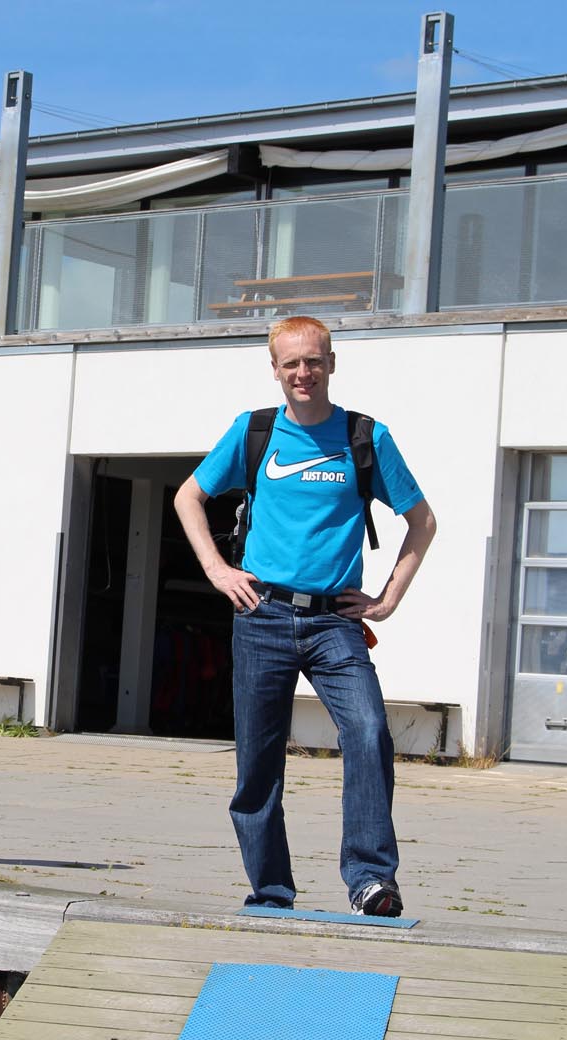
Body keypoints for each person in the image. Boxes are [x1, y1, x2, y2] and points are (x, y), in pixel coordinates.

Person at [172, 316, 437, 916]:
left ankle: (371, 880)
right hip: (261, 614)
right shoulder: (255, 432)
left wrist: (387, 599)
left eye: (314, 361)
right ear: (275, 369)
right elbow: (189, 496)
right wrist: (218, 570)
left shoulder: (365, 437)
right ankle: (271, 892)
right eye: (291, 363)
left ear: (331, 364)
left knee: (368, 732)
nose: (303, 373)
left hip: (335, 622)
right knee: (257, 763)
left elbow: (422, 522)